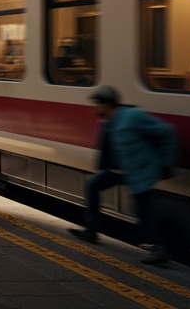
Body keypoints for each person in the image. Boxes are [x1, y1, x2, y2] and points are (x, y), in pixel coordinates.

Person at [68, 85, 179, 265]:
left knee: (142, 210)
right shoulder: (109, 121)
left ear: (107, 105)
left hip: (141, 171)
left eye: (97, 104)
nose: (94, 108)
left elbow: (167, 132)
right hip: (120, 171)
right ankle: (91, 230)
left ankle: (159, 249)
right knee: (93, 184)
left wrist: (167, 163)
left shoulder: (132, 117)